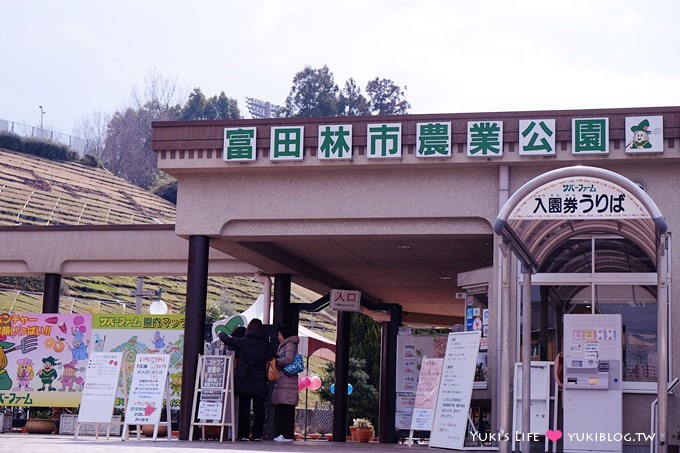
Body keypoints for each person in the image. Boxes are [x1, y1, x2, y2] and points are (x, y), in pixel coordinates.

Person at [219, 319, 271, 441]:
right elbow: (273, 356)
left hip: (245, 377)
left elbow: (227, 340)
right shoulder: (266, 344)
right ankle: (257, 435)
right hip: (260, 379)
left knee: (244, 407)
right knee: (259, 408)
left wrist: (221, 333)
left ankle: (243, 434)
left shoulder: (245, 341)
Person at [271, 325, 300, 442]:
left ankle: (285, 435)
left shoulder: (289, 344)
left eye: (279, 334)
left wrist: (277, 361)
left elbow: (289, 359)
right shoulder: (287, 344)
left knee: (285, 409)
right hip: (285, 382)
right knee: (284, 408)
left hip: (287, 382)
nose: (278, 337)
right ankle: (284, 435)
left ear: (283, 334)